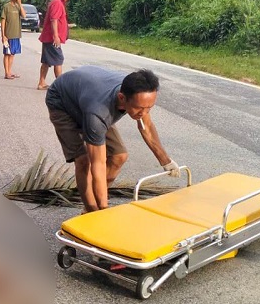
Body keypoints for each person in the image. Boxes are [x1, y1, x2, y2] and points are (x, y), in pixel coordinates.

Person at [46, 67, 180, 213]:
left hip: (88, 95)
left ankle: (97, 202)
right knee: (84, 160)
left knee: (119, 156)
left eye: (149, 108)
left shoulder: (138, 93)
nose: (144, 113)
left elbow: (146, 127)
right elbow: (99, 164)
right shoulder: (98, 114)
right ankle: (91, 211)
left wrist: (166, 161)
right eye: (139, 108)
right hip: (62, 101)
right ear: (122, 98)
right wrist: (104, 211)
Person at [37, 0, 72, 90]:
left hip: (49, 37)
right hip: (52, 38)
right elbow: (54, 20)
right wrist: (56, 36)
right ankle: (60, 87)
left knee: (46, 61)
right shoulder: (57, 3)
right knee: (58, 60)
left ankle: (41, 82)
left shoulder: (57, 1)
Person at [1, 0, 26, 79]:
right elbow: (3, 21)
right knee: (7, 54)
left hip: (16, 34)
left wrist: (20, 4)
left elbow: (24, 15)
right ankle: (6, 73)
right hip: (8, 35)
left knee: (12, 54)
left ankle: (10, 71)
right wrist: (3, 35)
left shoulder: (18, 6)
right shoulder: (6, 6)